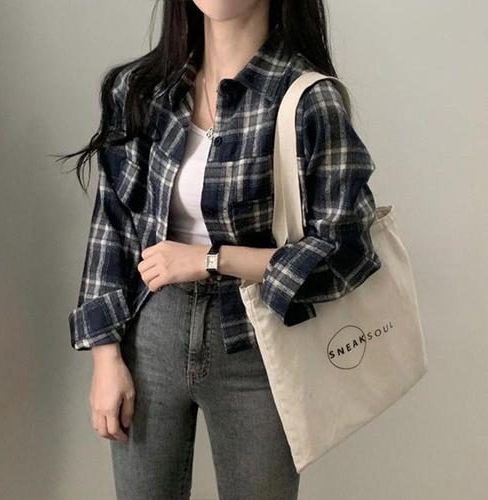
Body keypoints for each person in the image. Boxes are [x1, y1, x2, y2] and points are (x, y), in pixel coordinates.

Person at [59, 0, 382, 498]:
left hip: (256, 342)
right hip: (150, 334)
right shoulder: (143, 91)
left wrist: (212, 260)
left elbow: (346, 250)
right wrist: (105, 357)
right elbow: (112, 227)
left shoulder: (308, 100)